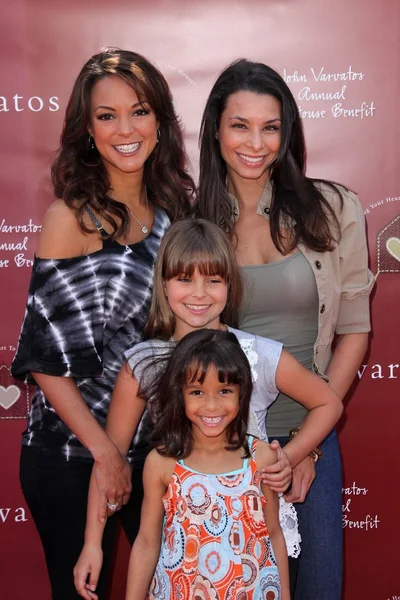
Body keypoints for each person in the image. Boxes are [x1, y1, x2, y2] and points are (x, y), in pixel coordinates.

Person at [74, 218, 342, 599]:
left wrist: (292, 456)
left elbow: (328, 401)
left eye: (213, 280)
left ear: (230, 284)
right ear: (163, 283)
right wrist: (92, 543)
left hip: (258, 545)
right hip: (186, 549)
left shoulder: (257, 354)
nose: (199, 293)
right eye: (184, 279)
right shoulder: (144, 364)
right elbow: (111, 459)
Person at [11, 48, 194, 600]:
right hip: (71, 455)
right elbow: (44, 361)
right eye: (106, 116)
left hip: (153, 456)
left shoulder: (174, 216)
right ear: (87, 130)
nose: (125, 129)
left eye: (138, 111)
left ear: (160, 122)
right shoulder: (70, 219)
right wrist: (106, 454)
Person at [194, 59, 374, 599]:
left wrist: (304, 451)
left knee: (319, 588)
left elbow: (354, 332)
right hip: (215, 449)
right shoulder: (190, 221)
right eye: (239, 125)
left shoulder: (334, 207)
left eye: (270, 127)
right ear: (216, 131)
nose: (256, 142)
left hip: (311, 441)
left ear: (287, 132)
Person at [127, 329, 290, 600]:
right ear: (179, 394)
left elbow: (273, 533)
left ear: (242, 392)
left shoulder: (261, 459)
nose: (212, 405)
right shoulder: (162, 464)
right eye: (197, 392)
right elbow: (146, 542)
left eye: (225, 390)